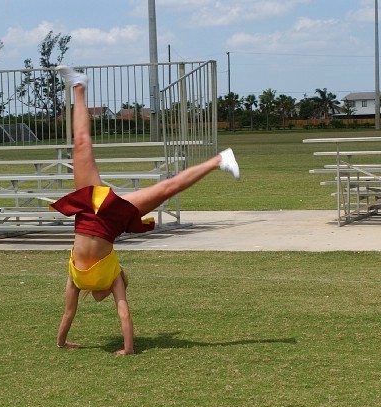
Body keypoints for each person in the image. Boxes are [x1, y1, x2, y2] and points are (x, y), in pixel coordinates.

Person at [53, 65, 240, 355]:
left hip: (88, 212)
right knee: (168, 188)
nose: (100, 299)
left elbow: (68, 315)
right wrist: (128, 348)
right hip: (112, 221)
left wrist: (62, 342)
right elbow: (124, 315)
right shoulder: (115, 278)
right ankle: (219, 160)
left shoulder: (77, 281)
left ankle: (78, 87)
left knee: (80, 145)